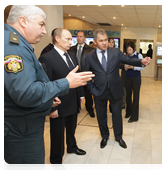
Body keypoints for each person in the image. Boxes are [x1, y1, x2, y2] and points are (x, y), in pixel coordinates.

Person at [4, 5, 94, 170]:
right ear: (23, 21)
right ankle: (57, 160)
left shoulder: (18, 43)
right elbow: (24, 92)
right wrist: (65, 83)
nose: (44, 30)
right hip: (21, 129)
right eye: (41, 24)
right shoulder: (12, 45)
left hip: (32, 120)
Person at [85, 29, 151, 149]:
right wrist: (92, 90)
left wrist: (141, 61)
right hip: (99, 91)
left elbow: (129, 60)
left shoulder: (115, 52)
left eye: (106, 40)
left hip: (115, 89)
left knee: (117, 114)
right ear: (95, 42)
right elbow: (87, 75)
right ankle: (104, 136)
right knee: (101, 116)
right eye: (101, 41)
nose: (104, 43)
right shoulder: (89, 56)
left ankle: (119, 137)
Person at [39, 28, 87, 170]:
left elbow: (76, 76)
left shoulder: (72, 55)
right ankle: (56, 159)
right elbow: (46, 84)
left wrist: (81, 94)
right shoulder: (46, 58)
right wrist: (51, 107)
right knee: (57, 133)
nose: (70, 42)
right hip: (59, 103)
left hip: (73, 99)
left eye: (71, 39)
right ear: (57, 39)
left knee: (72, 127)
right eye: (67, 39)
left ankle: (72, 146)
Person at [69, 31, 95, 118]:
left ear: (84, 38)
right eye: (77, 36)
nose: (79, 38)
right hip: (75, 74)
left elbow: (93, 63)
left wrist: (92, 75)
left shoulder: (90, 49)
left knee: (88, 92)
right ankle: (77, 108)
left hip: (85, 73)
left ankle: (90, 108)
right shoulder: (71, 49)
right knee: (76, 92)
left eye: (81, 36)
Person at [124, 41, 144, 123]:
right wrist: (126, 67)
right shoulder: (127, 56)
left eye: (130, 50)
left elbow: (142, 67)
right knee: (128, 96)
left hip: (136, 78)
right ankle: (129, 112)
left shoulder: (139, 55)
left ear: (133, 48)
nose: (129, 52)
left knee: (136, 96)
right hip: (128, 78)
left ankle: (135, 116)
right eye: (127, 50)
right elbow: (125, 67)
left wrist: (133, 67)